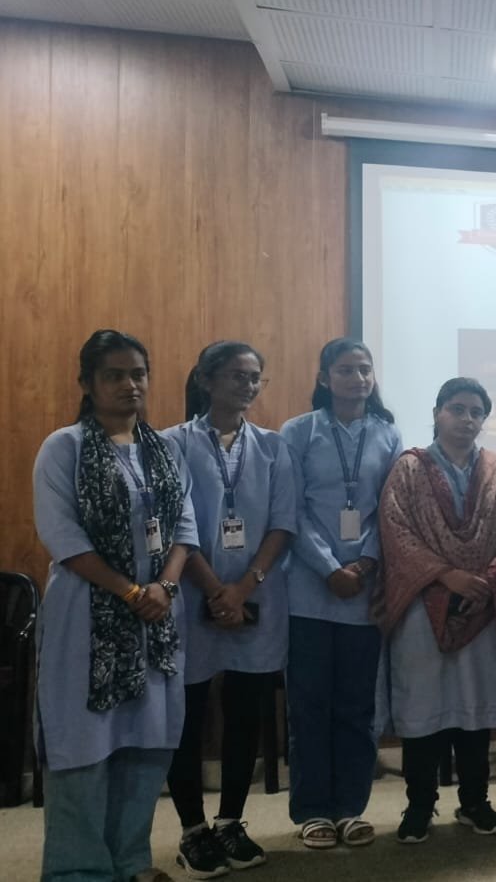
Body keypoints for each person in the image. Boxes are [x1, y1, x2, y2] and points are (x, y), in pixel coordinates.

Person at [33, 330, 197, 882]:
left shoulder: (164, 449)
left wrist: (164, 588)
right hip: (87, 617)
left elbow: (185, 527)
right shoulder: (65, 447)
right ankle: (78, 871)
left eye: (138, 374)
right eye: (114, 375)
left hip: (156, 619)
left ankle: (130, 862)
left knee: (146, 742)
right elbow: (62, 536)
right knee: (85, 744)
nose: (130, 385)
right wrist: (130, 592)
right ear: (87, 383)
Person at [374, 377, 496, 843]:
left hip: (484, 608)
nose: (467, 419)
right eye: (457, 409)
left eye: (476, 412)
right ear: (437, 413)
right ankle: (420, 806)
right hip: (423, 606)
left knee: (475, 709)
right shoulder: (409, 468)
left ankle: (475, 802)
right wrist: (446, 575)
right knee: (424, 711)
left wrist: (488, 579)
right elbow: (396, 531)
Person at [162, 342, 297, 877]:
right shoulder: (172, 443)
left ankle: (230, 823)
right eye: (237, 375)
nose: (248, 385)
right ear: (206, 379)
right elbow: (174, 523)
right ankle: (193, 830)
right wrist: (217, 589)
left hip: (256, 597)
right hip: (193, 594)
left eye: (255, 376)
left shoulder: (273, 446)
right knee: (187, 716)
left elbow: (283, 523)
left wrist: (243, 588)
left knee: (246, 714)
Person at [280, 338, 404, 849]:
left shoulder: (388, 434)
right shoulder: (298, 431)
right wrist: (330, 567)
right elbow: (291, 509)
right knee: (309, 705)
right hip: (310, 590)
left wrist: (366, 562)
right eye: (347, 370)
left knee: (357, 706)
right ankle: (312, 811)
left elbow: (390, 509)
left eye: (365, 369)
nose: (358, 379)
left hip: (364, 591)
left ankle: (350, 807)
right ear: (324, 378)